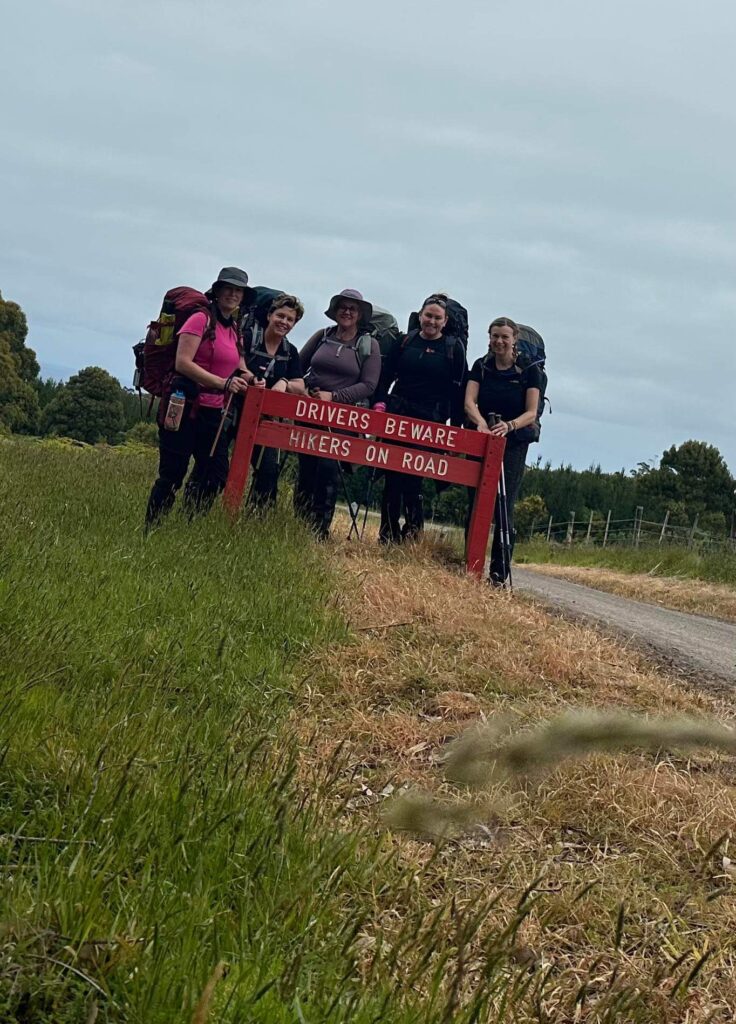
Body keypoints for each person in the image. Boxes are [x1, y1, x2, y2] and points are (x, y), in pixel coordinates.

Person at [145, 267, 254, 525]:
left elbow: (239, 364)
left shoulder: (235, 329)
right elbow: (183, 363)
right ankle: (151, 530)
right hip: (182, 404)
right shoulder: (199, 319)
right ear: (217, 291)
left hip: (212, 411)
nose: (233, 294)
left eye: (238, 290)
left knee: (215, 474)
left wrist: (250, 378)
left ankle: (187, 524)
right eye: (228, 288)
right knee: (173, 473)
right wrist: (223, 383)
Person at [374, 294, 467, 543]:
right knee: (391, 474)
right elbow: (386, 376)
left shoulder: (453, 349)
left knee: (414, 476)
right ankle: (387, 534)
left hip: (430, 420)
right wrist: (380, 403)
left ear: (445, 321)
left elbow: (458, 392)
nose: (432, 321)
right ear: (420, 315)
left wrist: (454, 432)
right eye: (428, 316)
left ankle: (413, 533)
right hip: (398, 414)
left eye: (437, 318)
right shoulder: (405, 341)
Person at [294, 289, 380, 540]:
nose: (347, 311)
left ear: (360, 314)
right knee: (306, 469)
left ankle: (319, 530)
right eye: (343, 306)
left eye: (353, 308)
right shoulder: (322, 336)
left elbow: (369, 385)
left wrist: (335, 398)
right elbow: (298, 364)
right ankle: (297, 526)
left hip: (343, 420)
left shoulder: (368, 345)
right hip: (310, 411)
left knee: (328, 471)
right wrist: (306, 388)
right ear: (335, 310)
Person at [464, 316, 543, 585]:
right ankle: (470, 565)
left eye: (504, 337)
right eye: (495, 336)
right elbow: (469, 401)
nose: (499, 341)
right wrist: (481, 423)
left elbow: (531, 412)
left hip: (514, 443)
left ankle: (499, 573)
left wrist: (508, 427)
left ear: (514, 340)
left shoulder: (529, 371)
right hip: (482, 438)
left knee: (503, 507)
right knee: (474, 502)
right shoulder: (481, 366)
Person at [241, 293, 306, 508]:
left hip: (265, 419)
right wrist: (249, 378)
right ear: (269, 315)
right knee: (217, 464)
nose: (284, 322)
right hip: (234, 410)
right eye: (280, 316)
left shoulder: (290, 351)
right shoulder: (248, 337)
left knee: (268, 471)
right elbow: (235, 363)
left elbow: (300, 385)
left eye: (290, 320)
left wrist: (285, 383)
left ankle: (257, 522)